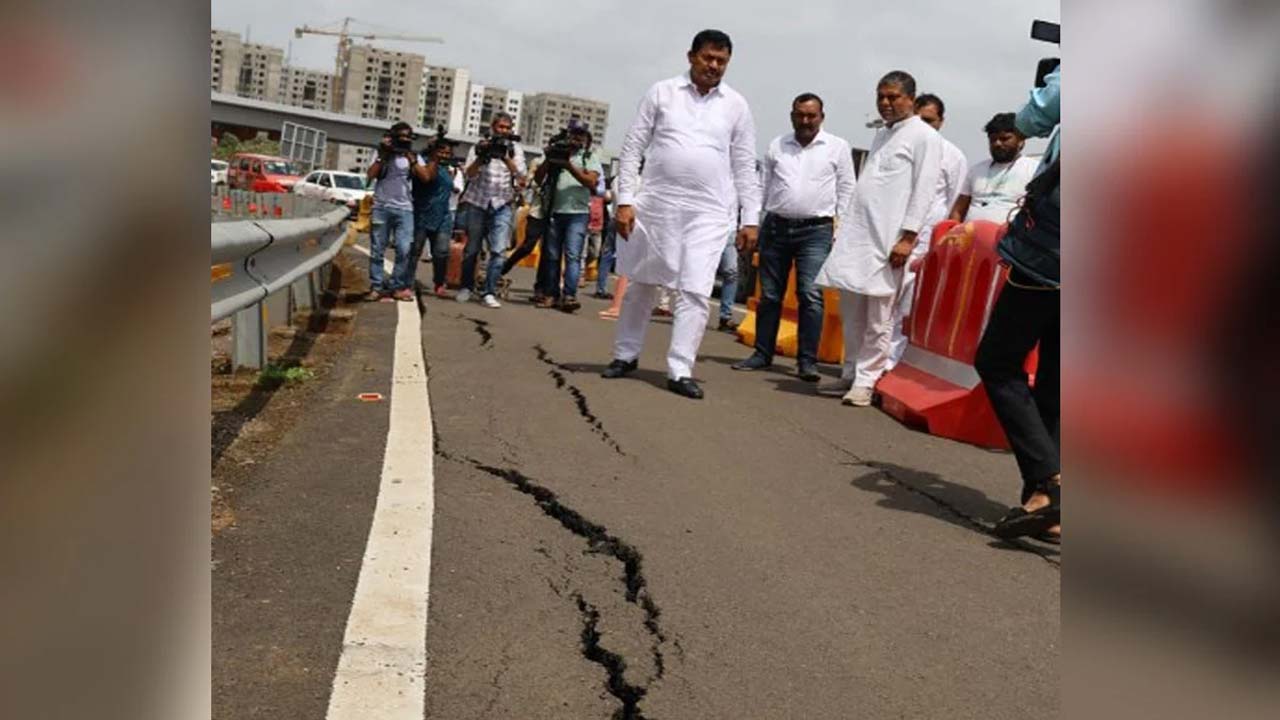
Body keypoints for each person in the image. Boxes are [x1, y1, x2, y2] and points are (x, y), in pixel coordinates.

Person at [602, 29, 761, 399]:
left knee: (694, 289)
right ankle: (625, 355)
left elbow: (743, 164)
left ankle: (680, 368)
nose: (714, 66)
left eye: (721, 61)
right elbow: (632, 148)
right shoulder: (662, 92)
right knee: (643, 282)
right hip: (657, 205)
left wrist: (750, 218)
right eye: (708, 58)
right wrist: (625, 199)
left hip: (709, 212)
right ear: (692, 56)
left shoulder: (736, 105)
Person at [813, 71, 941, 406]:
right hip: (860, 237)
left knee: (879, 316)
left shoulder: (924, 137)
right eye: (880, 96)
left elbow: (924, 190)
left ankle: (867, 381)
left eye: (893, 97)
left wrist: (907, 238)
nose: (885, 103)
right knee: (852, 311)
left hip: (890, 241)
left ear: (910, 99)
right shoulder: (882, 135)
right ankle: (849, 372)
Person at [978, 65, 1061, 542]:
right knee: (1054, 381)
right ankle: (1045, 503)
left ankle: (1051, 480)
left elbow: (1034, 117)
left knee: (998, 361)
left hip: (1052, 249)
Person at [731, 93, 856, 378]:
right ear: (792, 116)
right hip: (776, 228)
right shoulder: (777, 145)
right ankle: (762, 353)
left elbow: (848, 190)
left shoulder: (837, 147)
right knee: (770, 295)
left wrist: (843, 231)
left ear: (821, 117)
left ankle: (807, 361)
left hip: (817, 231)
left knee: (810, 295)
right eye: (800, 115)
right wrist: (751, 223)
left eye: (811, 116)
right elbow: (762, 187)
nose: (805, 121)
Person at [885, 93, 969, 367]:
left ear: (941, 122)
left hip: (924, 242)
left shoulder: (953, 156)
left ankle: (889, 366)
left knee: (906, 308)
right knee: (881, 303)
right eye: (919, 120)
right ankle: (870, 365)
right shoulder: (900, 146)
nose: (925, 126)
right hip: (891, 233)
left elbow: (955, 201)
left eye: (930, 121)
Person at [457, 112, 527, 307]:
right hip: (478, 202)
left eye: (507, 128)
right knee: (472, 249)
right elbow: (469, 175)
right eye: (500, 127)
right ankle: (466, 287)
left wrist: (506, 158)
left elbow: (522, 176)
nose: (503, 131)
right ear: (492, 128)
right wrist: (482, 157)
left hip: (502, 203)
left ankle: (489, 291)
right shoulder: (479, 146)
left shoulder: (515, 149)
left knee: (498, 251)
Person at [533, 119, 603, 312]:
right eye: (574, 134)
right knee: (552, 256)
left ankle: (569, 295)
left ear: (586, 138)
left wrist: (569, 165)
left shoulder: (589, 156)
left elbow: (592, 182)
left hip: (577, 214)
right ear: (568, 134)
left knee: (572, 255)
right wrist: (550, 159)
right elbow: (538, 179)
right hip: (554, 211)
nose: (577, 138)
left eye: (581, 135)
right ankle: (550, 294)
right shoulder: (557, 151)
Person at [366, 122, 431, 302]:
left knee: (404, 249)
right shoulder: (382, 154)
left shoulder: (413, 156)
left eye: (407, 138)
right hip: (382, 206)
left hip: (405, 209)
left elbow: (425, 177)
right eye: (400, 138)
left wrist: (412, 159)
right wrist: (383, 156)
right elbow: (370, 175)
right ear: (393, 137)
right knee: (377, 249)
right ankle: (377, 286)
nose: (403, 141)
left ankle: (396, 285)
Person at [947, 112, 1040, 224]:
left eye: (1004, 139)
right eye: (993, 139)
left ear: (1021, 141)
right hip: (970, 237)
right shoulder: (976, 170)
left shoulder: (1034, 169)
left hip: (1011, 238)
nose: (997, 144)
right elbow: (958, 211)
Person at [404, 130, 460, 298]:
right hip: (422, 214)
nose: (445, 155)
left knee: (442, 252)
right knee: (415, 251)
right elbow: (427, 178)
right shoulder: (422, 163)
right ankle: (407, 283)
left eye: (448, 153)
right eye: (441, 151)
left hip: (443, 216)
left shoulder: (449, 169)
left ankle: (439, 283)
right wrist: (433, 156)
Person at [499, 157, 552, 303]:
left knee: (547, 251)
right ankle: (503, 268)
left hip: (555, 212)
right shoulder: (539, 162)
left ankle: (540, 288)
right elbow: (533, 184)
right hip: (537, 210)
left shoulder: (568, 162)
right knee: (528, 245)